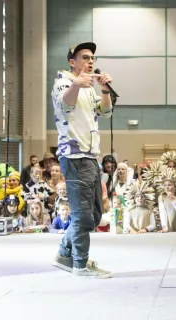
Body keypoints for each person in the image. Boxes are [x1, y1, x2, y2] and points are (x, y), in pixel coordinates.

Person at [51, 42, 113, 278]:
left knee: (95, 214)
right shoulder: (63, 83)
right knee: (81, 215)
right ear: (72, 61)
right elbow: (65, 106)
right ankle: (80, 264)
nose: (90, 61)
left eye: (93, 58)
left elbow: (105, 112)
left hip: (90, 157)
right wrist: (76, 84)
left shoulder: (87, 86)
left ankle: (64, 253)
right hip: (74, 157)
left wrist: (105, 90)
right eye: (85, 57)